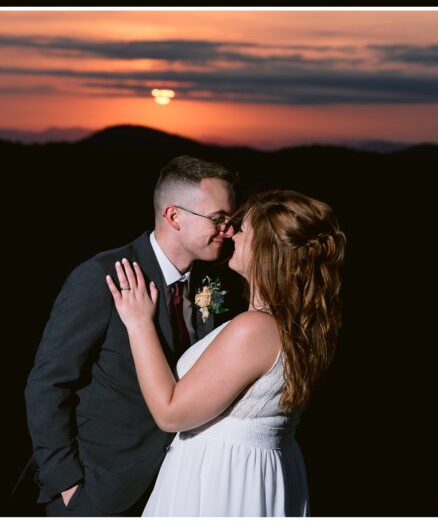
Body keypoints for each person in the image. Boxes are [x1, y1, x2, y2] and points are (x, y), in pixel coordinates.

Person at [106, 189, 345, 517]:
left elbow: (170, 413)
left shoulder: (255, 329)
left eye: (242, 229)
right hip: (254, 471)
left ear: (265, 250)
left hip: (221, 480)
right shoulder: (299, 323)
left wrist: (139, 324)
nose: (231, 232)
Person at [24, 156, 241, 516]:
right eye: (219, 219)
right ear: (174, 216)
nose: (229, 231)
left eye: (231, 221)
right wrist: (66, 484)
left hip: (177, 489)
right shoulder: (102, 277)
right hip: (100, 491)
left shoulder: (213, 284)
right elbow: (47, 384)